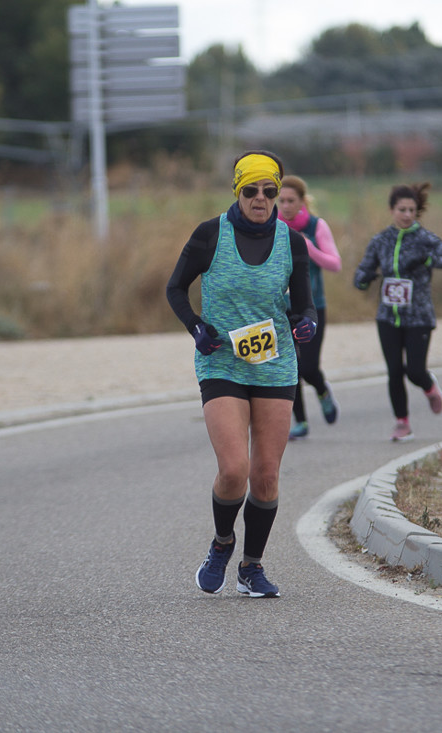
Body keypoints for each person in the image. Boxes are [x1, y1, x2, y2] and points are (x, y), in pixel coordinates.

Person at [166, 150, 317, 598]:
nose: (261, 198)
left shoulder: (292, 242)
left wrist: (306, 322)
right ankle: (221, 543)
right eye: (251, 190)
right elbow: (175, 287)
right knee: (234, 469)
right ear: (238, 191)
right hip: (223, 361)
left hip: (275, 364)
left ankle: (251, 567)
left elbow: (304, 303)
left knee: (266, 475)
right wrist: (196, 327)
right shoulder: (211, 234)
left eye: (270, 191)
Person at [353, 182, 442, 442]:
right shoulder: (380, 241)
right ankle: (402, 422)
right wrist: (364, 278)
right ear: (392, 210)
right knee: (394, 372)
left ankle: (429, 386)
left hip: (418, 317)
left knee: (414, 370)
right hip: (388, 317)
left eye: (411, 210)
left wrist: (426, 259)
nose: (407, 214)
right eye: (402, 209)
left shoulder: (425, 239)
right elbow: (362, 272)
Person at [277, 174, 342, 440]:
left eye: (291, 200)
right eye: (280, 200)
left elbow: (335, 264)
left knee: (309, 367)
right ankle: (300, 422)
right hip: (282, 310)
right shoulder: (272, 227)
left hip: (313, 307)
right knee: (290, 368)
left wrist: (309, 248)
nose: (285, 206)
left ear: (303, 201)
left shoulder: (317, 226)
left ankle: (323, 390)